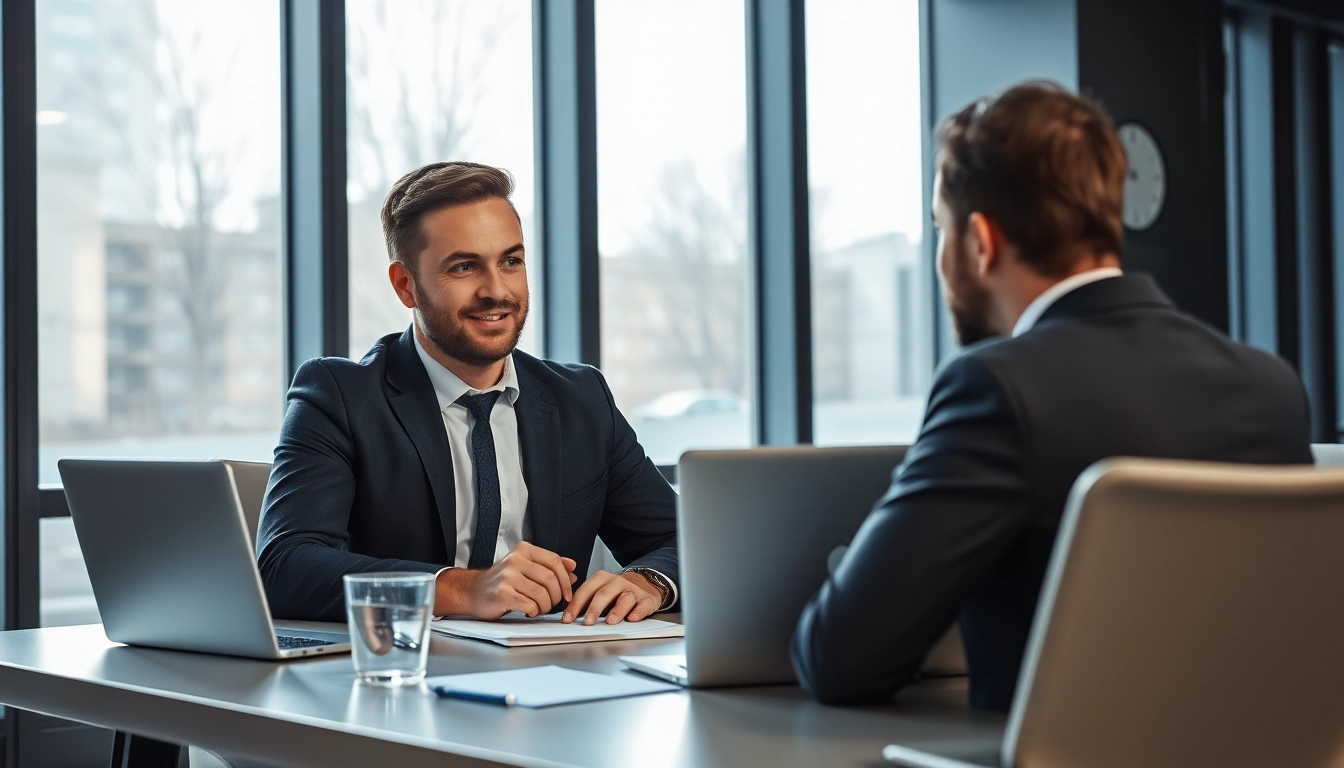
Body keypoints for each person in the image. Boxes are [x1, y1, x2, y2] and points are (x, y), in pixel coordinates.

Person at [791, 82, 1313, 711]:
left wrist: (881, 555)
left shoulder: (997, 388)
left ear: (980, 242)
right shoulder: (1271, 385)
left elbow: (841, 661)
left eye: (940, 228)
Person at [257, 162, 678, 626]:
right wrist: (462, 588)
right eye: (464, 267)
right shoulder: (340, 396)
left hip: (558, 669)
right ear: (406, 285)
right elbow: (284, 567)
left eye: (511, 262)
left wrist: (649, 582)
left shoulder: (581, 399)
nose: (496, 291)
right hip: (405, 673)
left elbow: (685, 539)